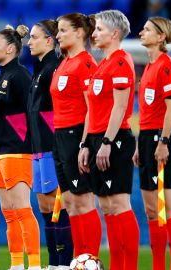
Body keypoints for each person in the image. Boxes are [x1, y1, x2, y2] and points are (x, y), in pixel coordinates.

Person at [80, 9, 139, 270]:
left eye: (100, 29)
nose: (94, 33)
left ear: (115, 33)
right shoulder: (103, 63)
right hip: (96, 140)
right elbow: (92, 110)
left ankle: (130, 266)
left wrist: (105, 142)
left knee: (119, 203)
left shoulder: (121, 61)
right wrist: (85, 144)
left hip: (113, 140)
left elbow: (120, 107)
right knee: (106, 206)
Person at [134, 16, 171, 270]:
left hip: (159, 139)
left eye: (147, 30)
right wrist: (137, 145)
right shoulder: (149, 67)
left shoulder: (167, 66)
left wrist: (163, 141)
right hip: (145, 139)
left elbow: (170, 108)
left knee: (169, 209)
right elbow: (146, 112)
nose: (141, 33)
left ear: (161, 36)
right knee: (151, 210)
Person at [0, 24, 40, 270]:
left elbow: (32, 113)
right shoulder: (2, 75)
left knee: (22, 209)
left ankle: (35, 265)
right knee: (9, 212)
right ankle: (17, 264)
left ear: (10, 49)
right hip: (0, 152)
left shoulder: (20, 76)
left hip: (17, 151)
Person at [52, 13, 101, 258]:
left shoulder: (86, 63)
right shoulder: (64, 62)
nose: (58, 35)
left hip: (76, 137)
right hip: (59, 137)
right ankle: (79, 260)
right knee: (70, 205)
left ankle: (90, 259)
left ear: (80, 32)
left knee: (83, 202)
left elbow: (92, 108)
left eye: (62, 30)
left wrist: (85, 143)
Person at [27, 20, 73, 270]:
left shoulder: (55, 68)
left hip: (52, 148)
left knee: (58, 206)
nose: (29, 42)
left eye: (34, 37)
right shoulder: (40, 69)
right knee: (46, 207)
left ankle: (64, 263)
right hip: (38, 148)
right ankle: (54, 264)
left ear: (49, 40)